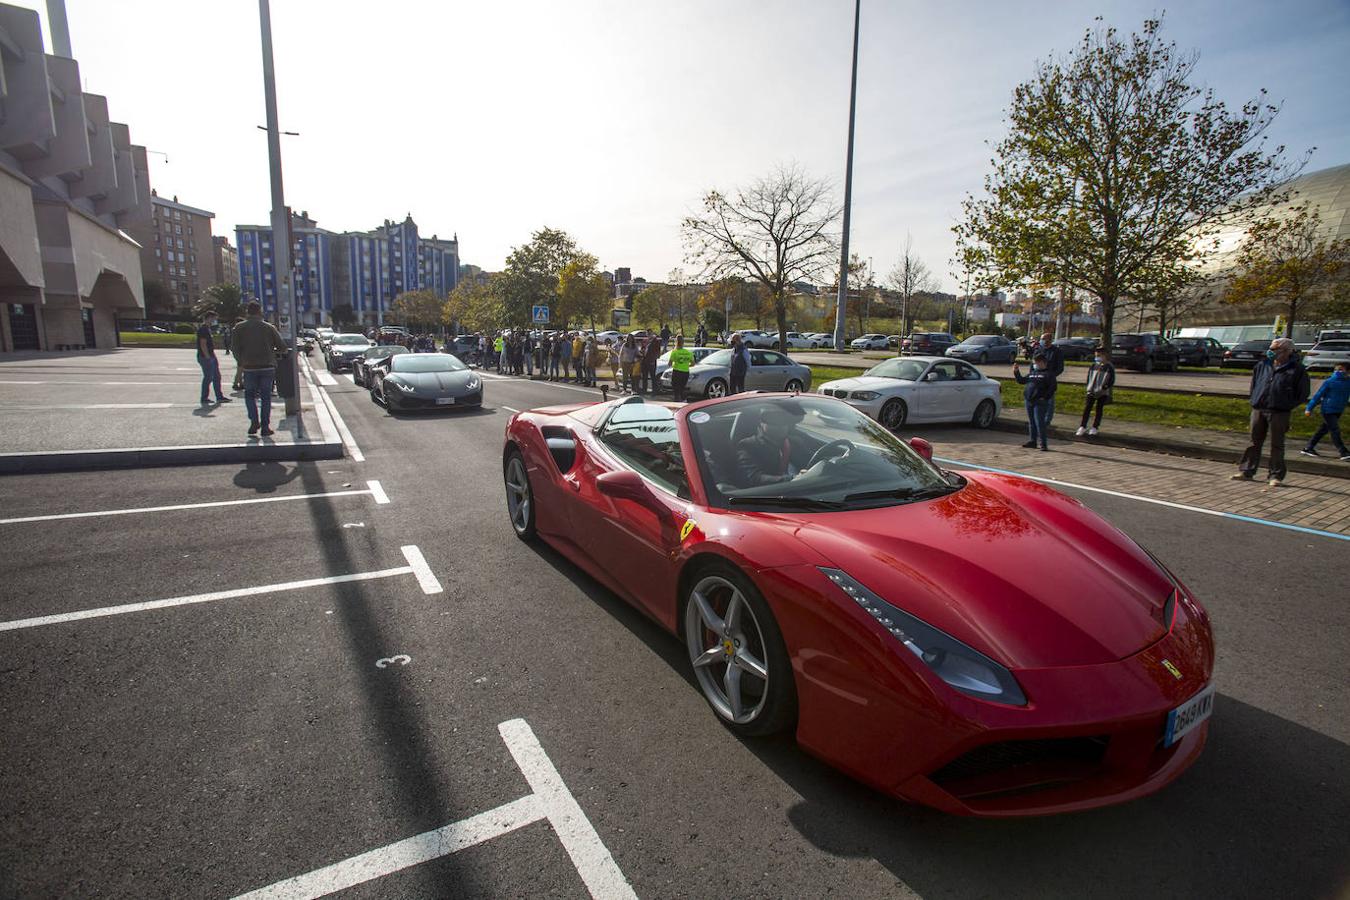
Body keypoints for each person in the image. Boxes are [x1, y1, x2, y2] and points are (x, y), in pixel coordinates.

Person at [1233, 337, 1311, 486]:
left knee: (1277, 444)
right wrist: (1255, 399)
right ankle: (1247, 471)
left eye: (1275, 349)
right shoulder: (1263, 365)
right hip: (1259, 408)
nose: (1271, 351)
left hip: (1279, 411)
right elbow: (1255, 384)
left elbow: (1302, 393)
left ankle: (1275, 475)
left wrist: (1287, 404)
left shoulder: (1297, 369)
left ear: (1287, 351)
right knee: (1253, 442)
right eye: (1271, 348)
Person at [231, 300, 288, 437]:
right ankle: (265, 426)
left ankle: (253, 421)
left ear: (247, 312)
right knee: (266, 397)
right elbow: (282, 346)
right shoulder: (268, 327)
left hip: (249, 367)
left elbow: (234, 348)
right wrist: (273, 352)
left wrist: (242, 361)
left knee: (249, 396)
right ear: (259, 311)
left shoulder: (239, 328)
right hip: (267, 367)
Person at [735, 400, 816, 486]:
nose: (779, 424)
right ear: (760, 423)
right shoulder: (748, 445)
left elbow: (814, 462)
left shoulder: (796, 442)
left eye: (783, 419)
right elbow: (755, 478)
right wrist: (793, 479)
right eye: (772, 418)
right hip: (769, 495)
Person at [1301, 360, 1350, 460]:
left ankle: (1308, 448)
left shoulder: (1348, 382)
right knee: (1334, 430)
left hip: (1338, 409)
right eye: (1337, 369)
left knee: (1323, 430)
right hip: (1328, 410)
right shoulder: (1330, 381)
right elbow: (1318, 395)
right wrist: (1309, 408)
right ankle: (1343, 452)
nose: (1339, 372)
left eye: (1342, 370)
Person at [1013, 352, 1056, 450]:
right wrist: (1016, 372)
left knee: (1039, 423)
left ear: (1042, 362)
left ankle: (1043, 444)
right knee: (1031, 422)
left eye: (1036, 362)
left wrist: (1044, 398)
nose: (1035, 365)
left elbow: (1052, 388)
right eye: (1034, 363)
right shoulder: (1033, 373)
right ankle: (1033, 441)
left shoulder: (1049, 374)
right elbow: (1021, 380)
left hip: (1040, 402)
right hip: (1029, 401)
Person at [1077, 345, 1115, 436]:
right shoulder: (1093, 366)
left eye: (1099, 356)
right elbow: (1089, 377)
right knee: (1087, 408)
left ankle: (1095, 427)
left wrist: (1104, 387)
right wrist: (1088, 386)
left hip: (1102, 392)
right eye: (1096, 355)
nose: (1097, 358)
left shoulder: (1109, 367)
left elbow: (1111, 380)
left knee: (1099, 409)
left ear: (1104, 355)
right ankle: (1083, 426)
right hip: (1091, 390)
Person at [196, 310, 231, 406]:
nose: (215, 321)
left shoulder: (207, 329)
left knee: (216, 377)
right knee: (208, 377)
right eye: (214, 319)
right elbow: (203, 344)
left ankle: (219, 396)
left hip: (210, 356)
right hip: (206, 357)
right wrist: (208, 357)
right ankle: (204, 397)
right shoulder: (203, 329)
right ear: (209, 318)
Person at [1038, 332, 1065, 423]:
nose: (1041, 341)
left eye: (1043, 339)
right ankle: (1038, 417)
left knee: (1049, 400)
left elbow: (1060, 368)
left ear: (1049, 340)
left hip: (1049, 380)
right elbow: (1033, 364)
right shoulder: (1039, 350)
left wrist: (1051, 376)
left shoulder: (1056, 351)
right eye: (1041, 339)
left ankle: (1047, 420)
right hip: (1038, 378)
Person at [669, 334, 694, 402]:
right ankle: (683, 400)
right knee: (682, 387)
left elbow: (669, 364)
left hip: (677, 371)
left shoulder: (675, 352)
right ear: (683, 342)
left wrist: (676, 364)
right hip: (685, 372)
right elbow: (693, 364)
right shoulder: (689, 352)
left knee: (676, 387)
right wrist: (685, 365)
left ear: (676, 342)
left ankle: (677, 400)